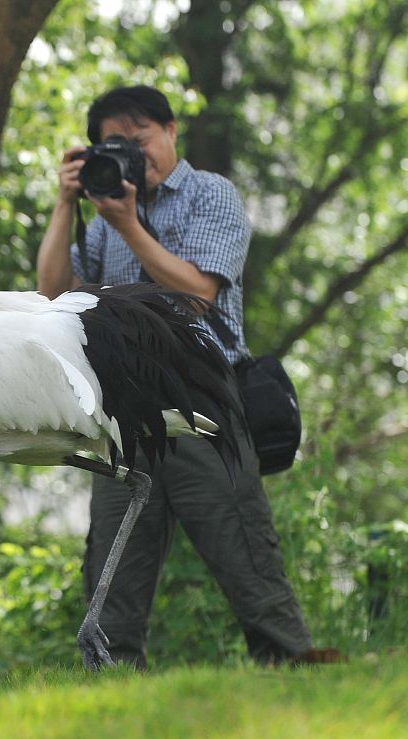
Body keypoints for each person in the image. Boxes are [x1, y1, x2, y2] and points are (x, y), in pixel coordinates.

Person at [36, 85, 330, 668]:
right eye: (113, 143)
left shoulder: (209, 195)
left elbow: (198, 293)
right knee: (116, 549)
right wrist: (67, 205)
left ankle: (290, 660)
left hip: (201, 395)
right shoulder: (99, 215)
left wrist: (128, 226)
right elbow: (52, 294)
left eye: (139, 138)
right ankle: (112, 675)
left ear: (171, 131)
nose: (130, 153)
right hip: (123, 401)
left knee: (238, 535)